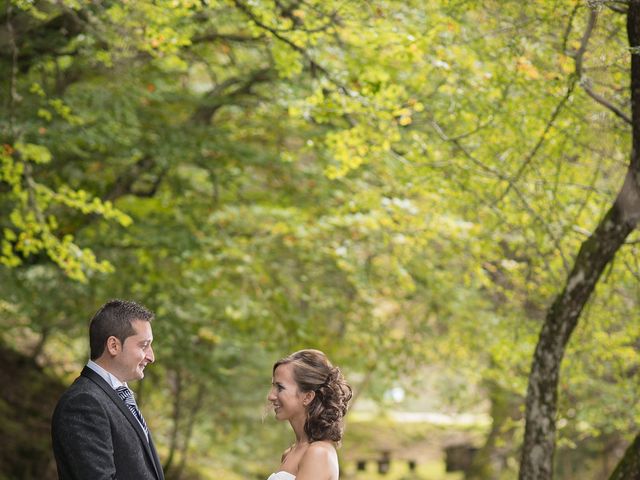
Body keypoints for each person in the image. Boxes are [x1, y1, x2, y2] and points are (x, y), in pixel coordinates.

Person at [51, 299, 164, 480]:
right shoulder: (83, 402)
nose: (151, 357)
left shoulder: (116, 397)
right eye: (144, 346)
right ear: (113, 345)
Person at [266, 349, 352, 480]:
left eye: (280, 387)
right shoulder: (289, 454)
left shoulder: (318, 454)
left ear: (307, 396)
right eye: (273, 386)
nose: (271, 396)